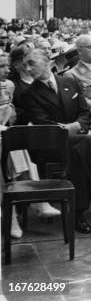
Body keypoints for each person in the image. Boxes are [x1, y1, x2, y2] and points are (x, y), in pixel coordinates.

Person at [21, 50, 91, 234]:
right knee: (85, 143)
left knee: (78, 153)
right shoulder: (29, 94)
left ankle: (78, 214)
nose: (27, 68)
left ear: (46, 61)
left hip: (76, 138)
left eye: (31, 63)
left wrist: (78, 125)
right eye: (25, 65)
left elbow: (84, 111)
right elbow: (42, 122)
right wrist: (68, 129)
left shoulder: (68, 81)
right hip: (49, 144)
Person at [0, 52, 61, 239]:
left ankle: (25, 206)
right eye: (1, 66)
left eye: (6, 65)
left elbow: (10, 118)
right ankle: (16, 214)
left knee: (16, 144)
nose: (6, 70)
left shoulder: (7, 86)